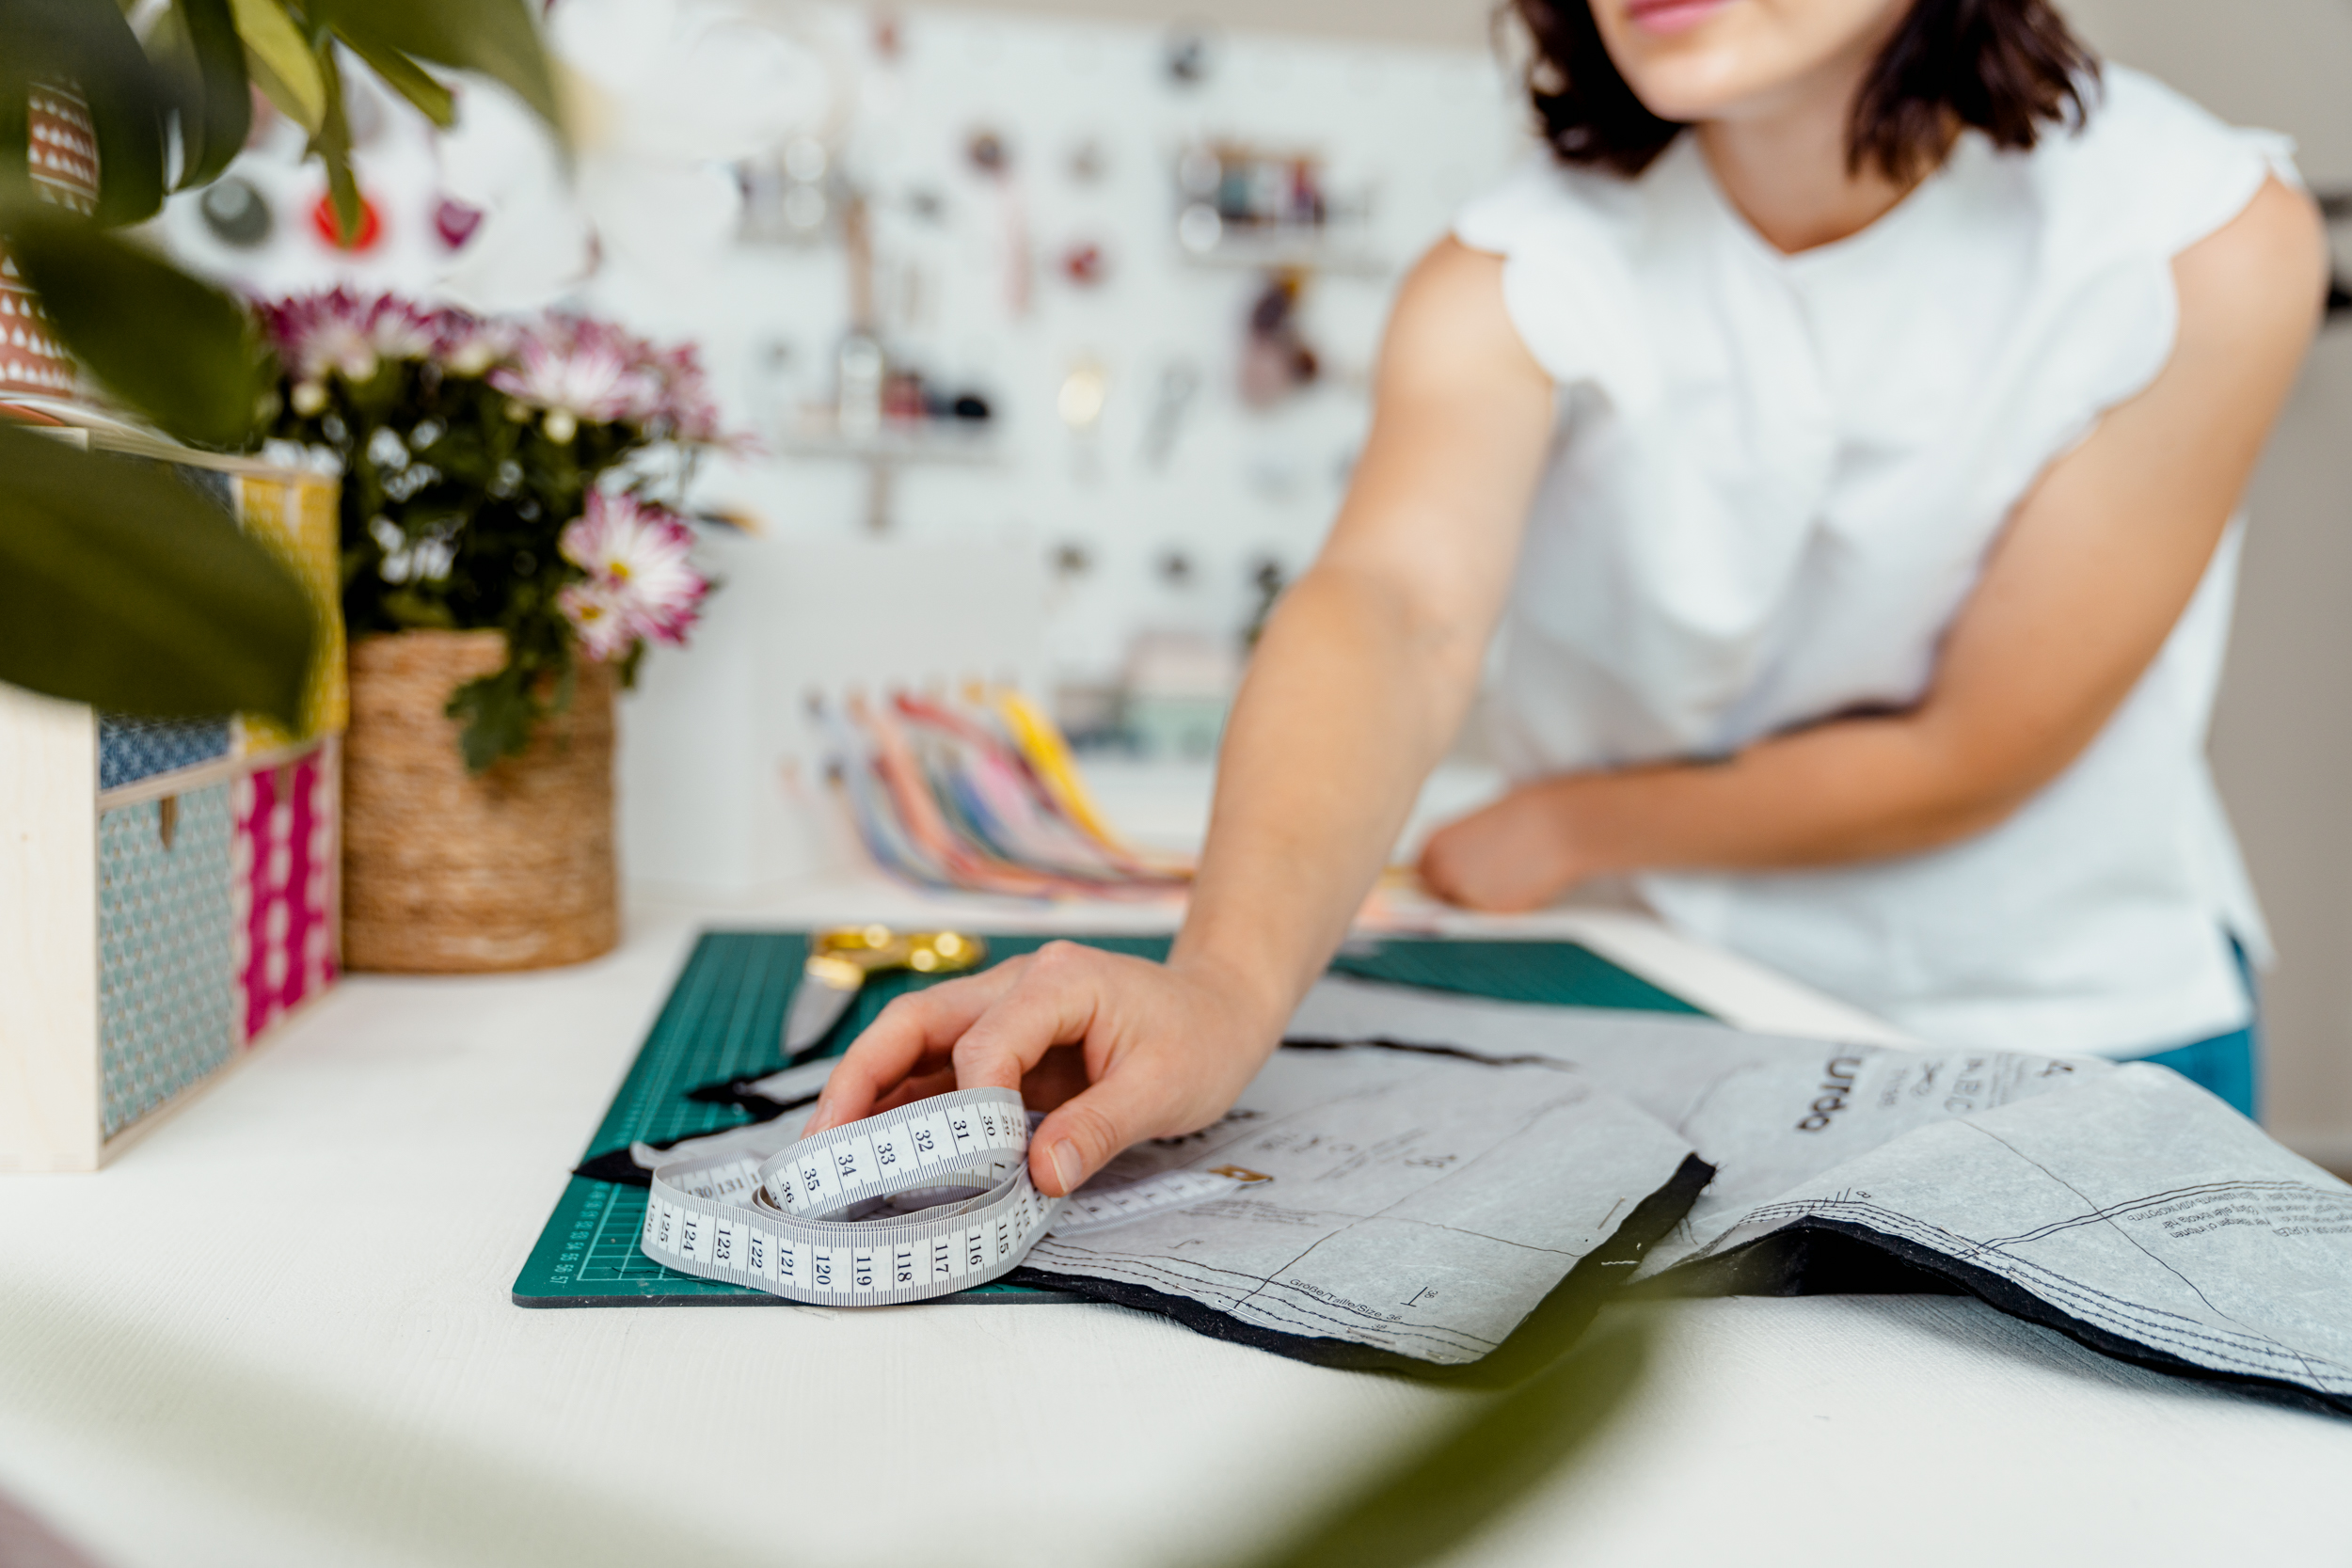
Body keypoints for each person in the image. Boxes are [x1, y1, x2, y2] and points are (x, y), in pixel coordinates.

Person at [810, 0, 2328, 1193]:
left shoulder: (2198, 240)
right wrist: (1216, 992)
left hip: (2079, 1023)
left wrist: (1578, 823)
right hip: (1674, 1007)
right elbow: (1391, 606)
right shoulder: (1515, 270)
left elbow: (1973, 749)